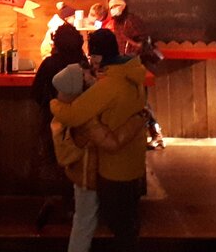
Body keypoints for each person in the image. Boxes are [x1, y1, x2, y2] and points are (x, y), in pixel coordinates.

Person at [50, 28, 147, 252]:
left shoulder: (109, 85)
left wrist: (54, 104)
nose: (91, 59)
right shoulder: (133, 75)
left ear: (99, 56)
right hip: (134, 164)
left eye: (93, 54)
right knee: (129, 225)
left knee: (118, 226)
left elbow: (73, 115)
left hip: (114, 168)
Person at [31, 23, 88, 230]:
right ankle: (71, 204)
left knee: (49, 159)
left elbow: (36, 92)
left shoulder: (49, 63)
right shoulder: (83, 64)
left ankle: (50, 198)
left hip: (51, 118)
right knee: (73, 161)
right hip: (79, 120)